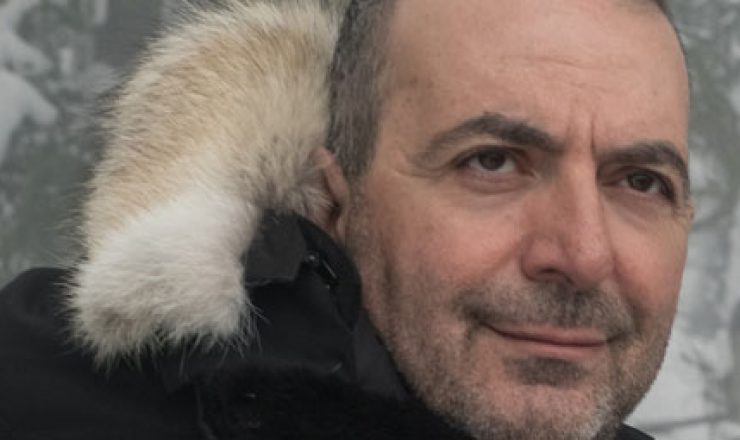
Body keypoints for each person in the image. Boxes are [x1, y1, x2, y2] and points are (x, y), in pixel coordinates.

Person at [0, 0, 692, 439]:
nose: (583, 254)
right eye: (492, 162)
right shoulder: (36, 392)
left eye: (641, 181)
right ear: (331, 199)